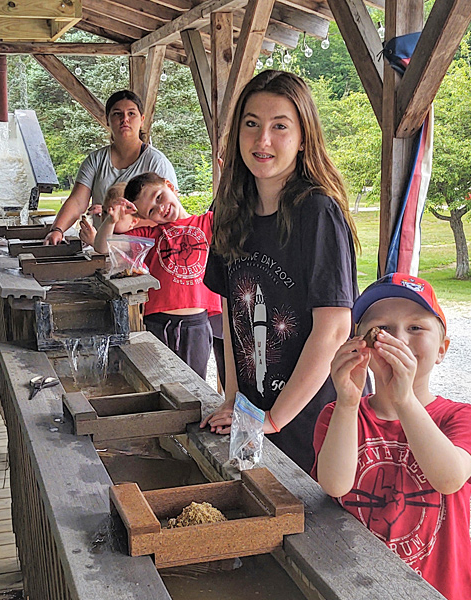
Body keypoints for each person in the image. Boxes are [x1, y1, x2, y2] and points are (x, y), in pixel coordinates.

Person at [200, 70, 360, 474]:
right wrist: (234, 401)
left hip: (311, 420)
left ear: (303, 137)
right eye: (251, 124)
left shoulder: (318, 212)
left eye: (279, 126)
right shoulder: (228, 211)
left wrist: (273, 419)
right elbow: (231, 314)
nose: (262, 140)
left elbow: (334, 330)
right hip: (254, 416)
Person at [313, 273, 471, 600]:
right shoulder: (338, 413)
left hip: (439, 589)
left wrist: (405, 400)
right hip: (355, 583)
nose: (398, 339)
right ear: (360, 347)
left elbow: (450, 477)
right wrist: (347, 401)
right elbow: (334, 485)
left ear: (441, 350)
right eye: (381, 329)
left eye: (416, 328)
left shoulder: (459, 417)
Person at [94, 172, 222, 380]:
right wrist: (111, 220)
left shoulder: (208, 222)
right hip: (157, 322)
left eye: (159, 197)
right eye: (152, 210)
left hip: (197, 323)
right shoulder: (151, 236)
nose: (160, 208)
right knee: (158, 383)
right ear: (145, 219)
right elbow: (102, 246)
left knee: (195, 385)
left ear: (169, 185)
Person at [44, 90, 177, 245]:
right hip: (100, 249)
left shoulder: (156, 162)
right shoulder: (96, 160)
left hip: (142, 251)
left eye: (131, 114)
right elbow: (78, 202)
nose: (124, 119)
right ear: (107, 120)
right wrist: (57, 230)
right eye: (117, 114)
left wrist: (115, 217)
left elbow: (169, 215)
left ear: (142, 120)